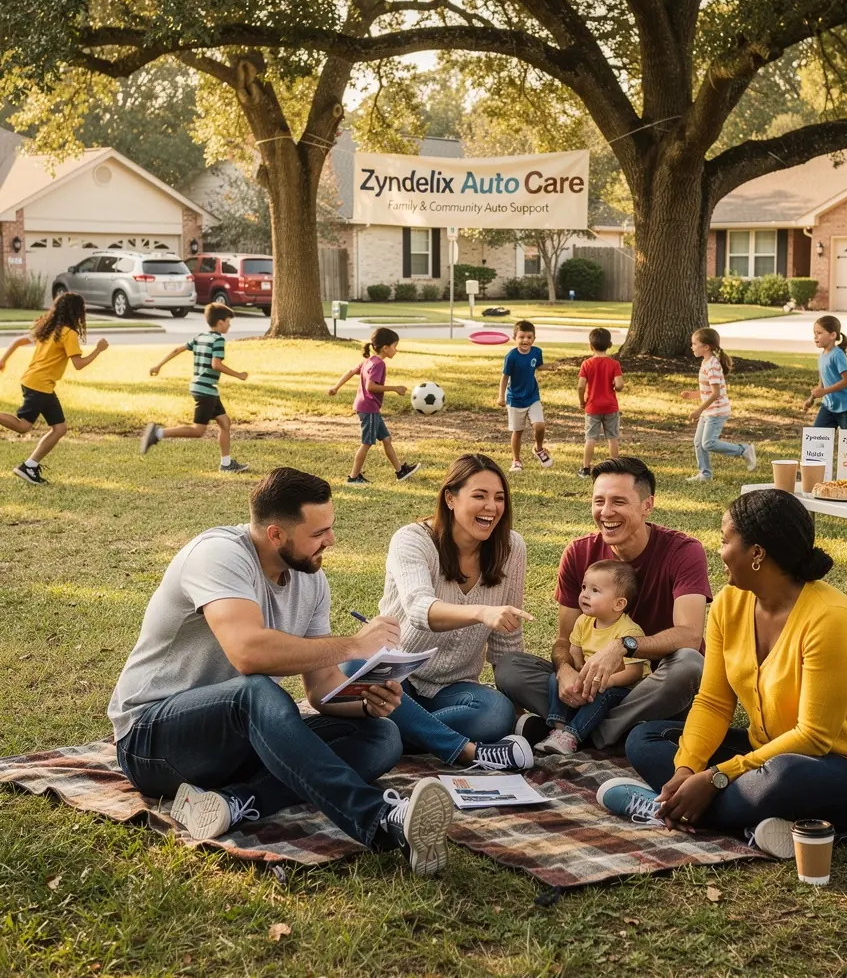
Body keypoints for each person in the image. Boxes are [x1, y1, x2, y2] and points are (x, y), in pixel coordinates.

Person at [108, 467, 454, 877]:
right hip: (151, 740)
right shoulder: (217, 555)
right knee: (254, 690)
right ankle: (380, 820)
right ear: (275, 534)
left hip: (235, 744)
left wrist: (365, 701)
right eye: (319, 532)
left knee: (381, 737)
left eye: (331, 527)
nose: (331, 540)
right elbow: (247, 653)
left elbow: (321, 689)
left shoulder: (311, 579)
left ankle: (235, 802)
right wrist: (354, 645)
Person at [598, 489, 847, 860]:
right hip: (763, 754)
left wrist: (717, 776)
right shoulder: (729, 603)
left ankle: (664, 807)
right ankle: (747, 820)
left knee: (782, 776)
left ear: (757, 553)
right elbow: (713, 702)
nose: (718, 550)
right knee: (645, 738)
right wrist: (687, 768)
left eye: (725, 541)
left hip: (846, 770)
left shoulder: (830, 618)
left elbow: (814, 737)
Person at [495, 456, 713, 749]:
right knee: (510, 668)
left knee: (689, 664)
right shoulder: (578, 553)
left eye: (618, 502)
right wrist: (565, 670)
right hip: (592, 688)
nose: (606, 512)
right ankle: (610, 731)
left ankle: (582, 729)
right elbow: (564, 639)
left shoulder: (684, 551)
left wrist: (622, 646)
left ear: (647, 505)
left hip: (651, 688)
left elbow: (690, 636)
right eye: (599, 501)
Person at [379, 453, 534, 771]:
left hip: (452, 688)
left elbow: (507, 641)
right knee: (355, 669)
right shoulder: (412, 540)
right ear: (450, 498)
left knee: (496, 713)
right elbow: (419, 609)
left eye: (499, 498)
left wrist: (515, 711)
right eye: (479, 496)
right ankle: (461, 748)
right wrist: (481, 612)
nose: (492, 507)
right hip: (397, 677)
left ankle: (396, 730)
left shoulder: (511, 548)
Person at [534, 560, 645, 755]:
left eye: (595, 590)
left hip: (620, 689)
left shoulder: (629, 631)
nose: (585, 594)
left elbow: (634, 672)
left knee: (602, 693)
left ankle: (573, 735)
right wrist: (574, 675)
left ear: (619, 604)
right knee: (556, 677)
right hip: (589, 681)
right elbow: (575, 653)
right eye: (584, 587)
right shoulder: (583, 622)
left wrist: (606, 682)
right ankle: (559, 729)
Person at [0, 291, 108, 485]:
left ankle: (29, 466)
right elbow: (79, 364)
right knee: (23, 426)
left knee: (59, 428)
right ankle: (29, 467)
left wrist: (3, 360)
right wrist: (98, 350)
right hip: (39, 385)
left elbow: (17, 341)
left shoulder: (48, 328)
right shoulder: (68, 333)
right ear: (76, 312)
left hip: (38, 382)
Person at [140, 303, 249, 473]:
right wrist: (238, 375)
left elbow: (177, 349)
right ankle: (158, 433)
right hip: (206, 390)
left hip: (204, 388)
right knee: (198, 430)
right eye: (228, 321)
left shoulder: (200, 337)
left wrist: (158, 365)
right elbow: (216, 364)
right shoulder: (218, 340)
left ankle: (226, 464)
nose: (229, 325)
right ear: (220, 322)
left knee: (224, 422)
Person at [328, 326, 419, 485]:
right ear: (385, 348)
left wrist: (336, 387)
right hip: (368, 409)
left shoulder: (368, 361)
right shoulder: (379, 364)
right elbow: (370, 386)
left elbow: (350, 371)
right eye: (395, 346)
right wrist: (395, 388)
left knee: (386, 439)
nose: (396, 350)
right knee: (367, 443)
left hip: (368, 408)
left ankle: (400, 472)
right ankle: (353, 477)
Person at [683, 327, 756, 482]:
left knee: (708, 443)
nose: (692, 347)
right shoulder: (706, 362)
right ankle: (705, 474)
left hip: (717, 412)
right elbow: (708, 391)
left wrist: (698, 410)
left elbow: (716, 393)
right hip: (709, 411)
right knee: (699, 442)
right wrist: (692, 394)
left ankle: (744, 450)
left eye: (694, 344)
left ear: (706, 347)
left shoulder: (712, 365)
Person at [498, 319, 551, 472]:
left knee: (540, 426)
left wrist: (549, 366)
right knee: (518, 431)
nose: (525, 340)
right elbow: (505, 377)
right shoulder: (511, 357)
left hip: (532, 396)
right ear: (515, 338)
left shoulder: (536, 352)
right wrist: (501, 396)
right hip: (515, 399)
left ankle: (539, 449)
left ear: (534, 338)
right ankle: (516, 461)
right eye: (521, 337)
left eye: (529, 337)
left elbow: (538, 366)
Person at [577, 327, 624, 479]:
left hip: (592, 407)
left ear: (590, 346)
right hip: (610, 406)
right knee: (612, 438)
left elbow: (581, 386)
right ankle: (615, 468)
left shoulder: (586, 364)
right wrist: (615, 387)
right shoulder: (614, 364)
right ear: (610, 345)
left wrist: (582, 401)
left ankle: (585, 468)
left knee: (590, 438)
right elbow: (619, 385)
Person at [804, 314, 847, 429]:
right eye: (814, 333)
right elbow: (821, 385)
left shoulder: (837, 355)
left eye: (819, 333)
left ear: (833, 335)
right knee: (817, 436)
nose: (815, 337)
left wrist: (824, 392)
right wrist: (810, 399)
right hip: (829, 406)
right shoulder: (822, 356)